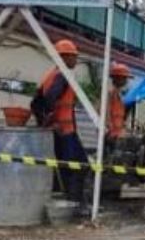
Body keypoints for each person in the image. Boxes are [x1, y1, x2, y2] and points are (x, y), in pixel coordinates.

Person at [30, 39, 86, 205]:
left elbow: (35, 103)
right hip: (63, 131)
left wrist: (45, 122)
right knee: (74, 167)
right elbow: (48, 101)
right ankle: (72, 203)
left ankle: (71, 201)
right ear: (64, 57)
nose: (75, 60)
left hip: (65, 130)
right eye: (73, 57)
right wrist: (52, 123)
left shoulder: (52, 75)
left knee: (72, 166)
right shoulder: (61, 76)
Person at [106, 63, 131, 143]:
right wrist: (109, 128)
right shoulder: (110, 94)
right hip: (111, 132)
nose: (126, 81)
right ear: (117, 78)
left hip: (118, 132)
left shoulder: (121, 94)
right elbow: (106, 112)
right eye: (124, 78)